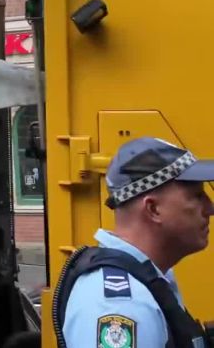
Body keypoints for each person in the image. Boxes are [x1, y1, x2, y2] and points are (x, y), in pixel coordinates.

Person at [53, 136, 214, 348]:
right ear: (154, 209)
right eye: (196, 196)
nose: (210, 208)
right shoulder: (120, 306)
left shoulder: (149, 279)